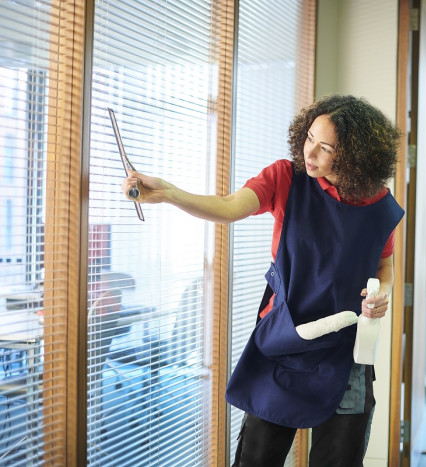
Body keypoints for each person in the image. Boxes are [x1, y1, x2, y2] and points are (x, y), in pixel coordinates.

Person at [121, 94, 405, 466]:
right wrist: (170, 193)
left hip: (345, 347)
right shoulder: (286, 178)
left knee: (340, 459)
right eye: (308, 140)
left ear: (354, 155)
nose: (311, 153)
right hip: (284, 336)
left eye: (325, 148)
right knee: (257, 458)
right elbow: (228, 207)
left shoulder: (380, 207)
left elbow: (385, 265)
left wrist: (382, 293)